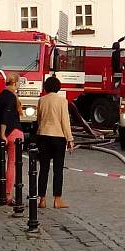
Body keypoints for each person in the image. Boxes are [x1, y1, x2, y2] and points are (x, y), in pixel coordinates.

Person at [35, 76, 75, 209]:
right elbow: (65, 121)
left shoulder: (41, 100)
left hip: (44, 135)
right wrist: (70, 139)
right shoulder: (62, 101)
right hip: (58, 137)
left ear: (45, 87)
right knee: (58, 169)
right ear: (58, 87)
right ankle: (57, 199)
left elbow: (39, 119)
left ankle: (42, 199)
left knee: (44, 169)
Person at [0, 73, 23, 205]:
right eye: (19, 83)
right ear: (15, 83)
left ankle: (5, 192)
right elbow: (6, 116)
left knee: (6, 163)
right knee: (13, 164)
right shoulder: (12, 97)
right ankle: (8, 194)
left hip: (3, 132)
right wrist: (4, 134)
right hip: (14, 132)